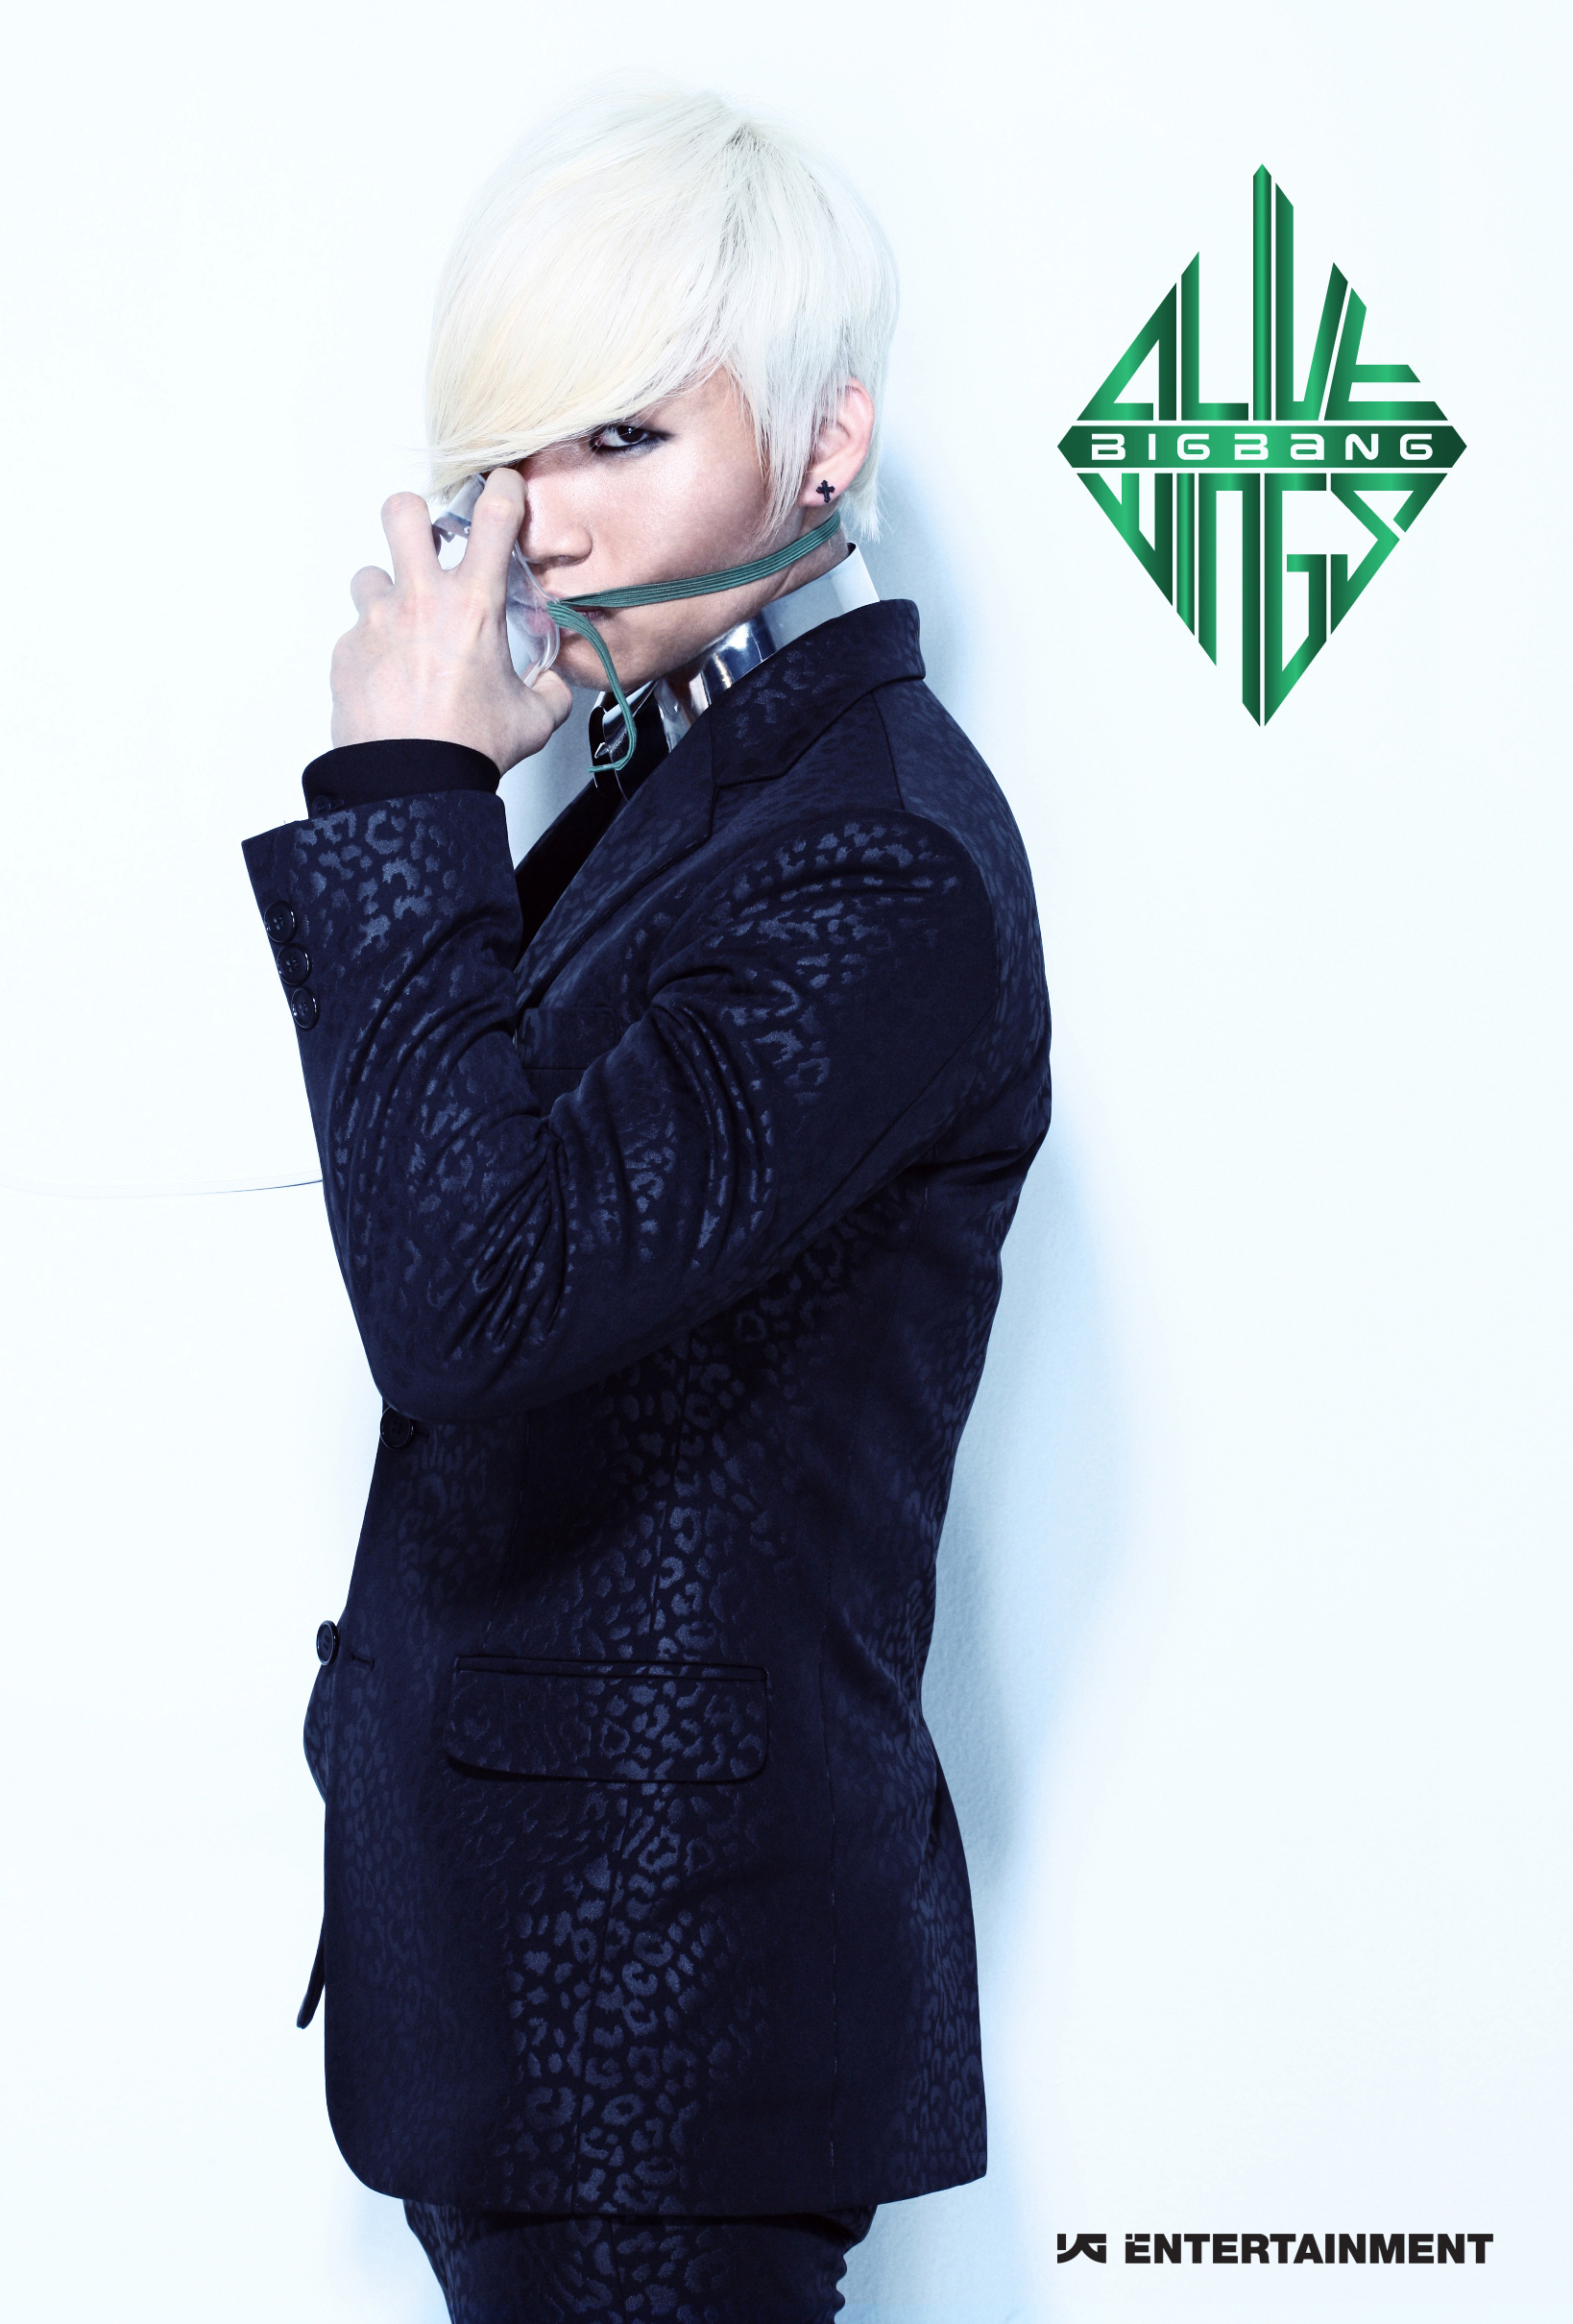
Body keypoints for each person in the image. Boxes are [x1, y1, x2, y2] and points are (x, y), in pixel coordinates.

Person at [243, 84, 1051, 2324]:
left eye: (622, 437)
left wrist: (405, 784)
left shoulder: (873, 858)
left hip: (661, 2029)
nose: (552, 523)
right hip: (544, 1991)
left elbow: (471, 1292)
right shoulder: (696, 800)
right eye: (516, 459)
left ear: (826, 442)